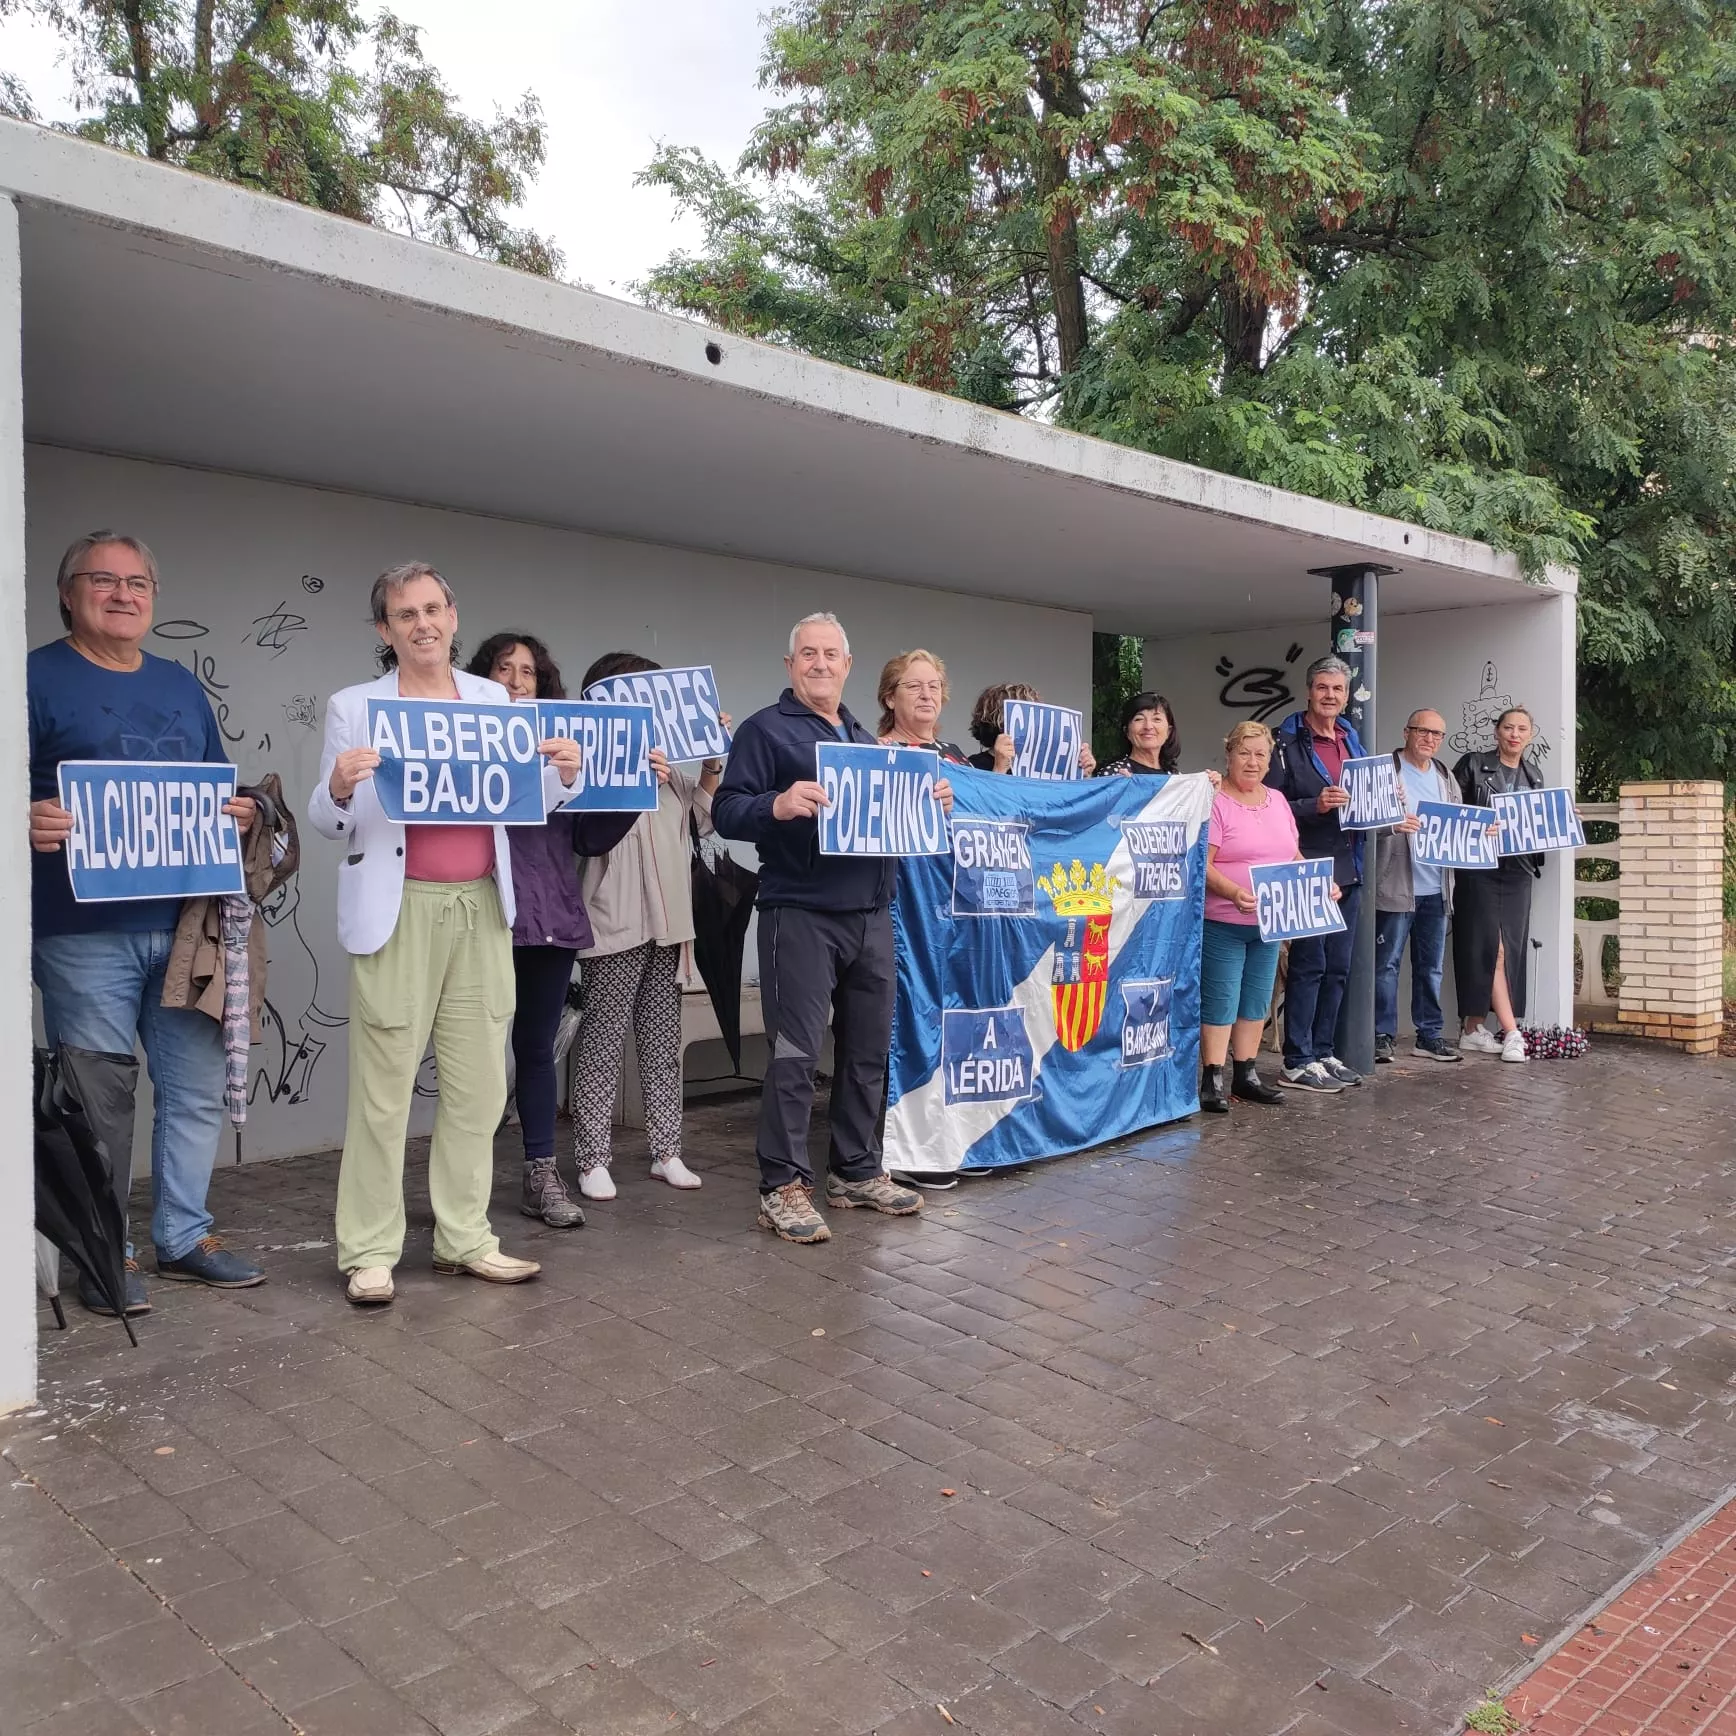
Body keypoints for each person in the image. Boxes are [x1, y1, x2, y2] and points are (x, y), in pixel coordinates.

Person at [310, 562, 582, 1307]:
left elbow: (525, 800)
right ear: (385, 630)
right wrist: (338, 785)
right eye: (405, 614)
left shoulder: (494, 698)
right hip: (400, 910)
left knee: (477, 1086)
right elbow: (325, 817)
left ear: (453, 617)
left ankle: (466, 1238)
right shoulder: (356, 705)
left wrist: (564, 772)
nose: (422, 623)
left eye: (433, 609)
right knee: (383, 1091)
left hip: (480, 907)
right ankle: (369, 1250)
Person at [28, 530, 266, 1314]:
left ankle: (184, 1237)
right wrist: (21, 816)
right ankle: (103, 1253)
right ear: (69, 593)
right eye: (103, 579)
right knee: (97, 1100)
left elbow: (213, 784)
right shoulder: (31, 676)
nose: (123, 594)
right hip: (81, 928)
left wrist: (236, 814)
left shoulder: (178, 684)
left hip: (186, 928)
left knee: (193, 1089)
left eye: (138, 583)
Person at [713, 612, 951, 1244]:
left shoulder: (865, 742)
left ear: (848, 666)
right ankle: (781, 1185)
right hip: (801, 914)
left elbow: (893, 821)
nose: (820, 664)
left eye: (831, 655)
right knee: (794, 1053)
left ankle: (855, 1170)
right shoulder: (766, 730)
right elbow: (727, 810)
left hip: (872, 915)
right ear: (791, 666)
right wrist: (777, 804)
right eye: (808, 654)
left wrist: (928, 803)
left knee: (868, 1050)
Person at [465, 633, 643, 1228]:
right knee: (473, 1054)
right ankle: (461, 1187)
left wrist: (632, 794)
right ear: (482, 678)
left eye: (528, 673)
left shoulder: (564, 749)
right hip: (481, 912)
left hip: (549, 918)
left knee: (535, 1050)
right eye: (504, 669)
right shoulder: (464, 741)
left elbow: (590, 839)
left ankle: (540, 1173)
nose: (517, 681)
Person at [568, 650, 728, 1203]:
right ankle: (591, 1158)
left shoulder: (670, 773)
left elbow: (707, 819)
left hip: (669, 926)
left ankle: (667, 1151)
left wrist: (710, 763)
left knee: (661, 1040)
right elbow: (581, 837)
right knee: (603, 1040)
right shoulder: (587, 767)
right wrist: (626, 774)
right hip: (611, 923)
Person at [1264, 655, 1367, 1093]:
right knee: (1309, 965)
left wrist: (1387, 798)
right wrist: (1315, 805)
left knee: (1339, 967)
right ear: (1309, 691)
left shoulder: (1351, 738)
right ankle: (1297, 1059)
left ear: (1345, 696)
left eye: (1338, 689)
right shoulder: (1284, 741)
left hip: (1349, 864)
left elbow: (1366, 797)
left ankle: (1323, 1052)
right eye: (1323, 687)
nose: (1330, 696)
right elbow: (1265, 804)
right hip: (1305, 866)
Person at [1199, 722, 1301, 1112]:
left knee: (1256, 1001)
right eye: (1244, 752)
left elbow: (1292, 856)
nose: (1252, 761)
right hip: (1224, 919)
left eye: (1260, 754)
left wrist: (1320, 884)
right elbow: (1203, 866)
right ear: (1228, 755)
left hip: (1271, 921)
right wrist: (1233, 892)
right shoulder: (1214, 800)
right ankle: (1212, 1077)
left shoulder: (1277, 800)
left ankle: (1247, 1074)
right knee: (1221, 999)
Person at [1452, 706, 1545, 1062]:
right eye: (1509, 727)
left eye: (1522, 728)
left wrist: (1560, 818)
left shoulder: (1534, 775)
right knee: (1491, 948)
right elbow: (1449, 816)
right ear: (1497, 732)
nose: (1514, 734)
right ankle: (1512, 1031)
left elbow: (1538, 828)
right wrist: (1479, 828)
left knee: (1510, 950)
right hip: (1480, 871)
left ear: (1530, 735)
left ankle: (1474, 1028)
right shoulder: (1473, 765)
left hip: (1518, 872)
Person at [1374, 710, 1463, 1066]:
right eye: (1422, 731)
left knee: (1431, 967)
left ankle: (1429, 1035)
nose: (1429, 739)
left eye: (1437, 734)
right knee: (1386, 965)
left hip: (1436, 888)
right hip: (1395, 884)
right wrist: (1393, 826)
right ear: (1406, 732)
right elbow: (1364, 822)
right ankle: (1381, 1035)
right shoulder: (1385, 772)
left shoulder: (1445, 776)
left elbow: (1457, 824)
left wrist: (1480, 835)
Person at [966, 681, 1096, 775]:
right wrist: (999, 770)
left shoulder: (1046, 766)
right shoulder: (973, 766)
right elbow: (981, 808)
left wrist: (1080, 771)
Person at [877, 650, 971, 763]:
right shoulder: (880, 753)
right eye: (914, 686)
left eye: (933, 686)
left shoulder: (954, 752)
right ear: (890, 699)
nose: (926, 695)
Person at [1097, 690, 1181, 777]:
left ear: (1169, 731)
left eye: (1156, 719)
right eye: (1139, 719)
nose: (1148, 726)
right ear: (1127, 731)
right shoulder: (1114, 775)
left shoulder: (1176, 779)